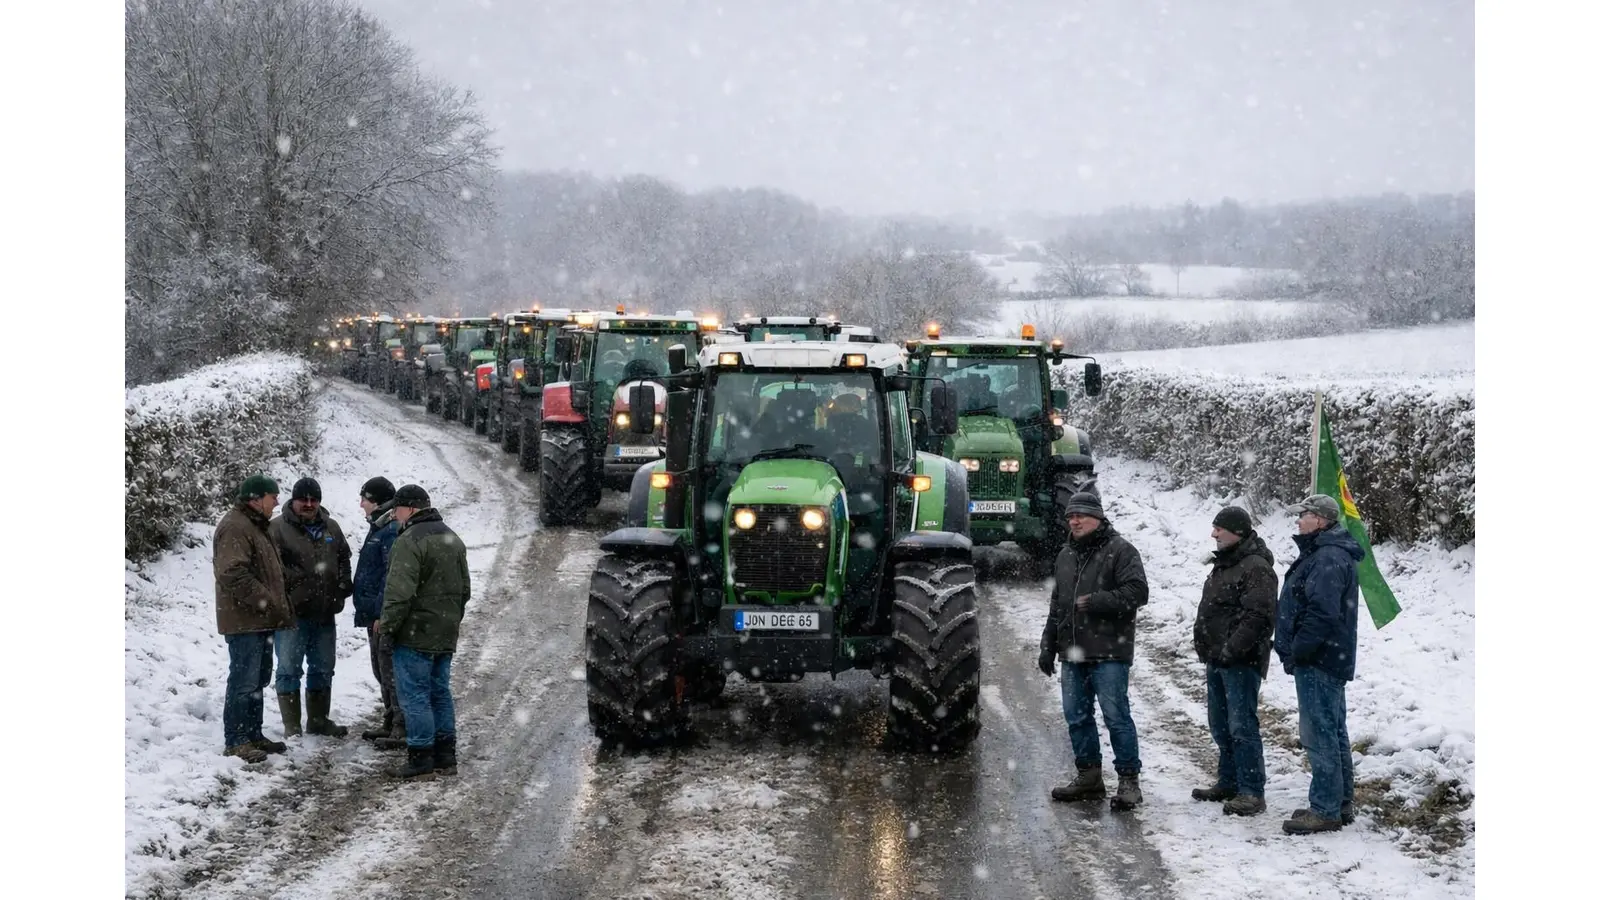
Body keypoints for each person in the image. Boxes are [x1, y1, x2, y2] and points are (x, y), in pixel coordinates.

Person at [1038, 491, 1150, 809]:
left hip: (1109, 651)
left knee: (1116, 717)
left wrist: (1098, 601)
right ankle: (1089, 777)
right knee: (1077, 717)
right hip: (1072, 652)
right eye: (1070, 516)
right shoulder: (1065, 555)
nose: (1074, 521)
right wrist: (1048, 646)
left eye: (1081, 516)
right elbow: (1057, 606)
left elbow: (1138, 591)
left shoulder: (1121, 551)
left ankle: (1129, 781)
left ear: (1098, 518)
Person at [1275, 493, 1364, 835]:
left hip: (1319, 658)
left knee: (1319, 732)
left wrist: (1298, 649)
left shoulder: (1327, 557)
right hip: (1327, 657)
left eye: (1305, 515)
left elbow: (1321, 612)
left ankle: (1326, 808)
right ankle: (1339, 803)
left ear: (1322, 521)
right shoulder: (1327, 553)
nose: (1298, 520)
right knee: (1333, 729)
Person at [378, 485, 471, 780]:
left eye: (398, 510)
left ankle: (420, 758)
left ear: (410, 509)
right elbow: (465, 589)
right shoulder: (452, 538)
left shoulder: (409, 541)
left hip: (416, 633)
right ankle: (446, 756)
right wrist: (449, 619)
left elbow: (399, 594)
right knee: (439, 692)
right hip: (445, 631)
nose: (395, 516)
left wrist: (389, 627)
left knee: (415, 695)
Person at [1191, 505, 1279, 817]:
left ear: (1237, 532)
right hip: (1218, 658)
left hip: (1240, 662)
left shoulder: (1255, 567)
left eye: (1220, 529)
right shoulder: (1227, 563)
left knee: (1242, 725)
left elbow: (1259, 616)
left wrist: (1232, 650)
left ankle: (1252, 791)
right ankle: (1228, 781)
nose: (1213, 534)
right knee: (1220, 724)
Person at [214, 474, 296, 762]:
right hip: (245, 620)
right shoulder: (236, 527)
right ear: (256, 498)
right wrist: (266, 599)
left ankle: (253, 734)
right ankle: (237, 739)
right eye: (272, 497)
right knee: (244, 680)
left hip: (260, 619)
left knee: (258, 678)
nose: (276, 502)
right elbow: (231, 572)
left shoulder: (256, 525)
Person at [269, 477, 354, 739]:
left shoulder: (332, 527)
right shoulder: (277, 529)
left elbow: (344, 560)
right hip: (291, 615)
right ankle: (292, 726)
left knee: (323, 667)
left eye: (313, 499)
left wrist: (341, 590)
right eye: (303, 499)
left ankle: (318, 720)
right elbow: (271, 570)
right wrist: (289, 592)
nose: (308, 504)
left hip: (325, 614)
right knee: (288, 669)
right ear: (292, 500)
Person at [352, 476, 405, 750]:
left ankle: (400, 726)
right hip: (373, 615)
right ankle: (390, 720)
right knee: (380, 669)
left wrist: (381, 614)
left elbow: (390, 575)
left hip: (381, 617)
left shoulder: (390, 530)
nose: (361, 504)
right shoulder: (380, 526)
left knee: (389, 669)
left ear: (376, 501)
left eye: (364, 498)